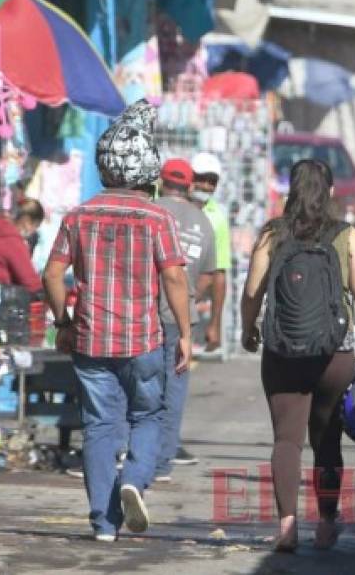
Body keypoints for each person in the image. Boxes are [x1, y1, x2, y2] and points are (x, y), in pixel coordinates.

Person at [42, 100, 192, 541]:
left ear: (104, 168)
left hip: (90, 340)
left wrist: (63, 322)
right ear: (148, 171)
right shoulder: (157, 216)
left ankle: (104, 524)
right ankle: (134, 479)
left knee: (100, 427)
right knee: (148, 416)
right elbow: (174, 278)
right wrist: (184, 333)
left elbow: (52, 274)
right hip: (142, 340)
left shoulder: (79, 215)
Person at [240, 159, 355, 553]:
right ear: (331, 192)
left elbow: (253, 291)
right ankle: (325, 522)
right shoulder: (347, 236)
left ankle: (287, 525)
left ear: (290, 190)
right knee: (327, 441)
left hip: (282, 351)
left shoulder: (273, 234)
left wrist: (247, 330)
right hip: (334, 355)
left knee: (286, 440)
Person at [154, 159, 216, 479]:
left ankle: (129, 450)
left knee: (141, 385)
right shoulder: (203, 223)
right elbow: (207, 275)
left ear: (160, 181)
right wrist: (190, 295)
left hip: (147, 311)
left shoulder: (150, 211)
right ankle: (163, 461)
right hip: (182, 318)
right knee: (174, 389)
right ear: (190, 185)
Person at [190, 152, 230, 353]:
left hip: (188, 303)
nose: (206, 185)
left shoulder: (218, 218)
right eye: (201, 179)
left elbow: (219, 273)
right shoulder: (171, 203)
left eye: (212, 181)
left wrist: (214, 324)